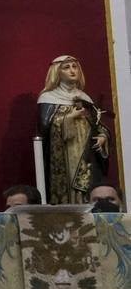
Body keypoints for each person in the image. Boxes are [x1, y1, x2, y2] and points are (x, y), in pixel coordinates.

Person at [38, 55, 110, 205]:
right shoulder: (48, 97)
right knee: (70, 191)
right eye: (66, 67)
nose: (72, 71)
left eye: (74, 67)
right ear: (57, 72)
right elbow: (44, 128)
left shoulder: (85, 97)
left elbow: (96, 124)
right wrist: (69, 117)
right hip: (65, 156)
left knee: (89, 188)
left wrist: (103, 135)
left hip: (87, 154)